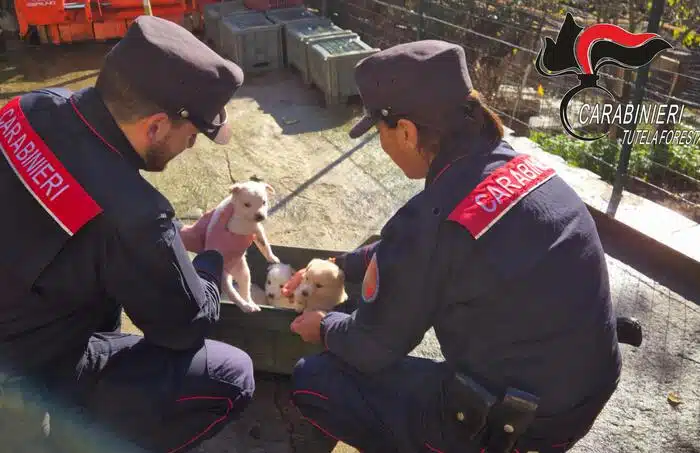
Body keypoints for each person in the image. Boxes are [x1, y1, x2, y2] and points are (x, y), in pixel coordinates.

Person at [289, 40, 624, 453]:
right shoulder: (527, 169)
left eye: (380, 131)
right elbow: (431, 254)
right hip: (582, 396)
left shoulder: (428, 222)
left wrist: (322, 326)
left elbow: (370, 347)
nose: (382, 143)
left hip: (516, 428)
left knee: (314, 378)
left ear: (407, 131)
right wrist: (344, 265)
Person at [0, 16, 255, 453]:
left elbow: (76, 213)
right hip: (24, 379)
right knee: (233, 374)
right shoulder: (136, 216)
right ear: (155, 126)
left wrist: (171, 239)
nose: (187, 149)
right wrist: (215, 255)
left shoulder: (27, 108)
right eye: (190, 137)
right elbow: (182, 326)